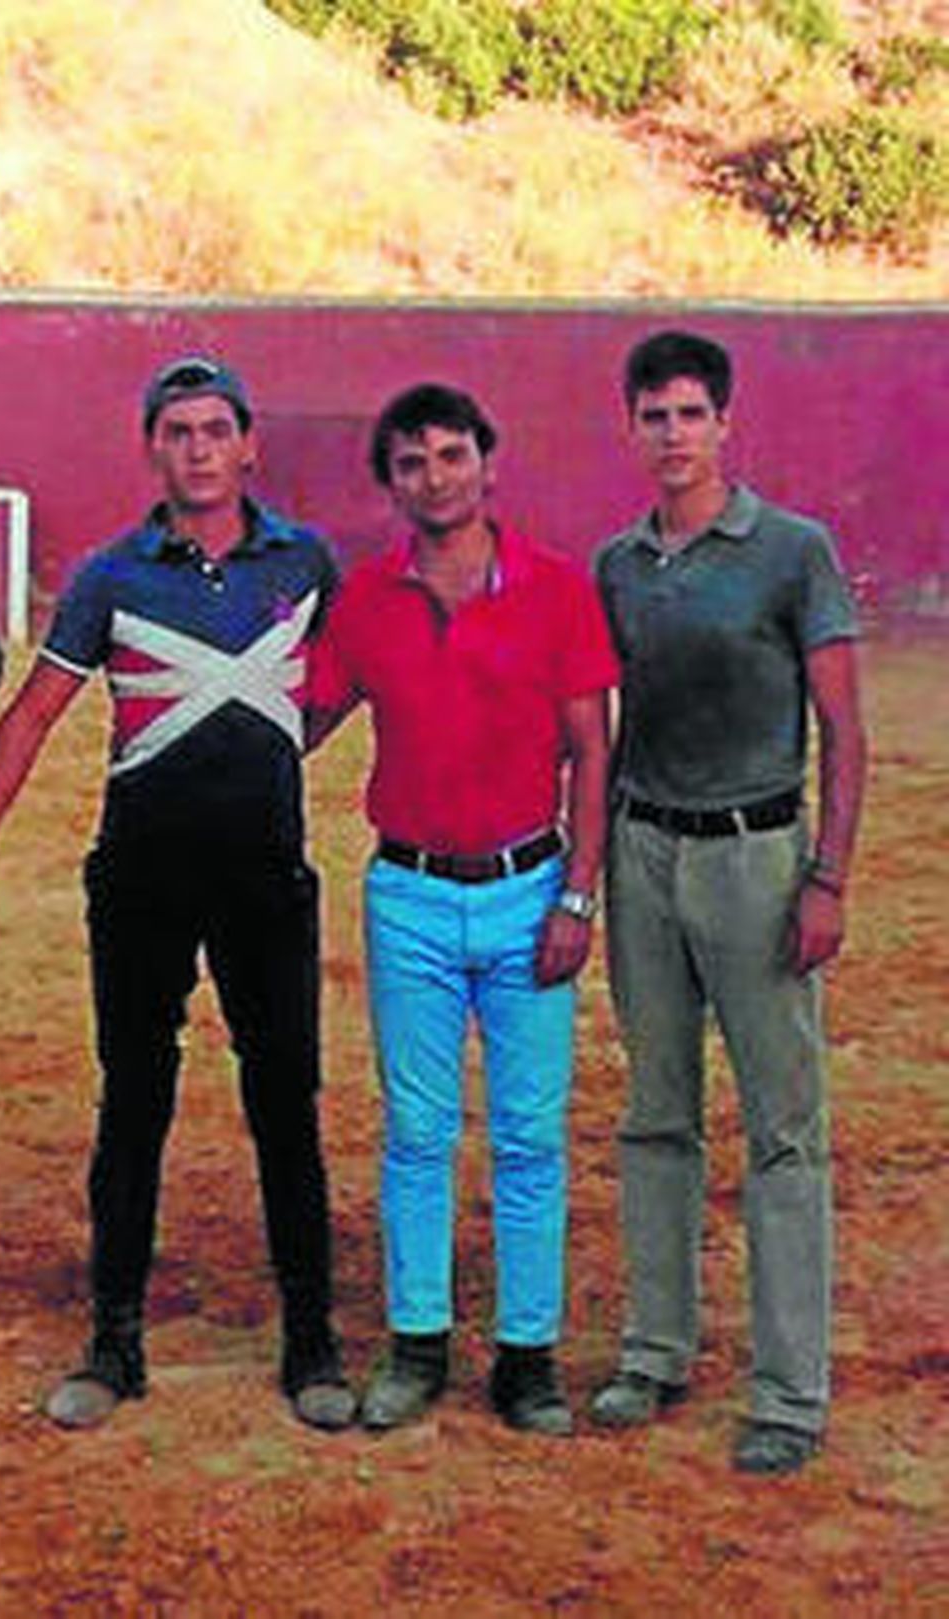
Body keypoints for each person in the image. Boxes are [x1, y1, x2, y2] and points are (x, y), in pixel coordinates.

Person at [0, 357, 355, 1432]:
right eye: (177, 431)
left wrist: (277, 740)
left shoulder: (306, 562)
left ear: (249, 444)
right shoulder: (110, 576)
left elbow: (359, 674)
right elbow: (32, 712)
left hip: (267, 876)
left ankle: (310, 1336)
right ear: (153, 450)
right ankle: (113, 1338)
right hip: (140, 877)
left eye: (216, 429)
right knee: (133, 1104)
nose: (199, 448)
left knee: (283, 1104)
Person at [306, 383, 616, 1436]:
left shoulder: (557, 587)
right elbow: (298, 717)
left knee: (530, 1134)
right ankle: (418, 1342)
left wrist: (578, 891)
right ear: (389, 482)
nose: (433, 477)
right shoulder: (363, 598)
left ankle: (527, 1355)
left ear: (487, 460)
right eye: (410, 462)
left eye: (449, 454)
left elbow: (590, 748)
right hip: (409, 894)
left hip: (531, 886)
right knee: (418, 1130)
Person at [590, 330, 867, 1476]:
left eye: (689, 414)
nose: (671, 435)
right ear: (631, 426)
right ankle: (656, 1347)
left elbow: (845, 729)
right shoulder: (616, 565)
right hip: (643, 851)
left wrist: (828, 875)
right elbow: (590, 727)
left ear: (723, 424)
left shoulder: (793, 551)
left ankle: (790, 1389)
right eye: (652, 415)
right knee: (656, 1111)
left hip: (758, 855)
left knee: (782, 1128)